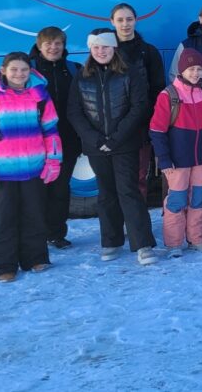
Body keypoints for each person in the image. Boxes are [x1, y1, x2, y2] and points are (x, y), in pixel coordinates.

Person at [66, 30, 158, 265]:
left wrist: (116, 138)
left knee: (129, 192)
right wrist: (95, 139)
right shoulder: (82, 76)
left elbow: (139, 106)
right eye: (96, 47)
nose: (101, 51)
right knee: (106, 194)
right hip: (96, 146)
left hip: (124, 144)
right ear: (90, 50)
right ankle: (111, 241)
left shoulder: (130, 72)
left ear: (114, 48)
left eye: (105, 46)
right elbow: (74, 112)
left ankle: (142, 244)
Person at [0, 52, 62, 282]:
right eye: (14, 69)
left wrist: (53, 161)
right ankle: (3, 267)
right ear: (3, 70)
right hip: (2, 172)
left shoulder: (40, 96)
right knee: (3, 220)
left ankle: (35, 258)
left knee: (34, 216)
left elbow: (51, 131)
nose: (19, 74)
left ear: (30, 71)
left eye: (24, 70)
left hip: (34, 169)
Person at [148, 48, 202, 257]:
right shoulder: (169, 95)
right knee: (176, 201)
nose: (195, 73)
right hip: (177, 161)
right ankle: (174, 244)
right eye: (190, 69)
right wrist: (164, 159)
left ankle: (197, 239)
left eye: (198, 69)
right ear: (181, 70)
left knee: (198, 200)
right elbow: (157, 131)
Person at [28, 26, 81, 250]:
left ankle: (56, 233)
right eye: (48, 43)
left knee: (60, 189)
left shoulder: (74, 69)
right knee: (36, 191)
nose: (53, 47)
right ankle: (35, 234)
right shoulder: (27, 71)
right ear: (39, 46)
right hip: (34, 143)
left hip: (66, 141)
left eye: (58, 43)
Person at [110, 3, 165, 200]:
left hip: (141, 126)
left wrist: (148, 119)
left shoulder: (149, 52)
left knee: (139, 177)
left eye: (129, 19)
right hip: (114, 127)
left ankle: (137, 218)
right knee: (114, 180)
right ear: (112, 22)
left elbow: (158, 90)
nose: (125, 24)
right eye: (120, 20)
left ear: (136, 20)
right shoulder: (106, 52)